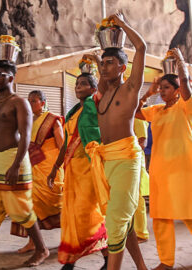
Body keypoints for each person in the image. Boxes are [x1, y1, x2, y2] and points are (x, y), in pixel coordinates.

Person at [83, 12, 147, 270]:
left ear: (122, 68)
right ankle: (142, 267)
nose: (104, 67)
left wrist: (121, 25)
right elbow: (100, 70)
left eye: (110, 63)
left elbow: (141, 48)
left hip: (127, 159)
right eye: (102, 64)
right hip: (106, 158)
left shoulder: (130, 89)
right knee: (123, 220)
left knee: (115, 222)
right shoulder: (103, 91)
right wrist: (98, 57)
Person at [0, 56, 49, 270]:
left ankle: (41, 249)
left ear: (12, 78)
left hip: (14, 159)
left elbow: (25, 136)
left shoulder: (20, 102)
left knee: (21, 209)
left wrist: (15, 165)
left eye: (1, 75)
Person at [135, 48, 192, 270]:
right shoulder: (156, 110)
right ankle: (166, 261)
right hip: (159, 171)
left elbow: (186, 85)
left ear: (177, 91)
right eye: (161, 88)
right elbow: (133, 111)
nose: (162, 91)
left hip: (183, 169)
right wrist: (148, 94)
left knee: (189, 213)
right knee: (160, 217)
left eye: (166, 88)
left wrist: (180, 61)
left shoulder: (185, 107)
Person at [48, 73, 108, 270]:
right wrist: (55, 167)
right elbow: (66, 142)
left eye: (84, 84)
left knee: (88, 214)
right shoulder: (74, 111)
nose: (78, 87)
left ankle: (106, 258)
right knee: (72, 215)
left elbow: (105, 86)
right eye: (77, 84)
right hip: (72, 170)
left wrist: (99, 64)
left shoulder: (94, 105)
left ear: (93, 89)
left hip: (89, 168)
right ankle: (71, 260)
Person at [14, 90, 64, 253]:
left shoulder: (52, 120)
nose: (30, 103)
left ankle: (67, 239)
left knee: (59, 206)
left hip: (50, 168)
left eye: (34, 101)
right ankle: (33, 242)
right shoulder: (27, 120)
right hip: (31, 168)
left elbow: (62, 145)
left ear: (43, 102)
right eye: (28, 100)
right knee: (30, 204)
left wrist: (60, 167)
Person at [133, 118, 150, 243]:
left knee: (137, 197)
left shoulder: (138, 118)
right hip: (123, 161)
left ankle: (141, 233)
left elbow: (141, 143)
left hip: (133, 161)